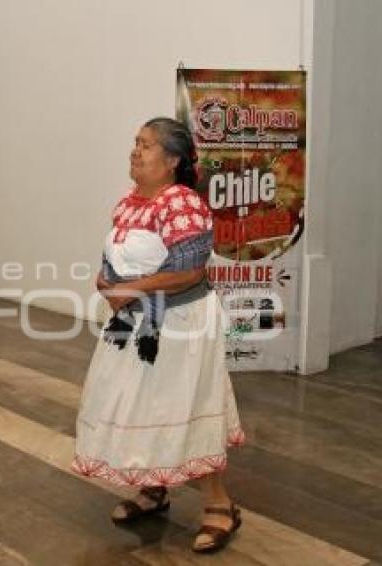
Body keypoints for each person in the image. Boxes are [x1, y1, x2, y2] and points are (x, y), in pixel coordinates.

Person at [72, 117, 245, 553]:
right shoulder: (129, 203)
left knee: (181, 404)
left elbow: (189, 271)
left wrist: (132, 291)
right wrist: (105, 282)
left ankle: (220, 504)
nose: (135, 150)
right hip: (135, 322)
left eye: (146, 145)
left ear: (171, 161)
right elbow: (115, 255)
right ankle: (155, 487)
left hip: (180, 324)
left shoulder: (182, 203)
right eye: (135, 142)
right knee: (138, 401)